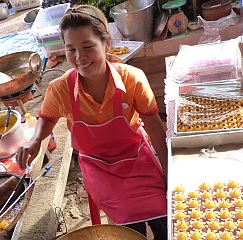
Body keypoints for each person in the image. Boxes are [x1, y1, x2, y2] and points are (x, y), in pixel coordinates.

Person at [16, 5, 168, 239]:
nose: (79, 58)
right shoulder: (60, 89)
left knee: (166, 217)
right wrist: (36, 140)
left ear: (106, 44)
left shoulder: (131, 78)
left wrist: (169, 172)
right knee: (128, 224)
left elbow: (155, 128)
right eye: (71, 50)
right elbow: (47, 117)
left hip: (137, 159)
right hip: (99, 168)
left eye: (88, 47)